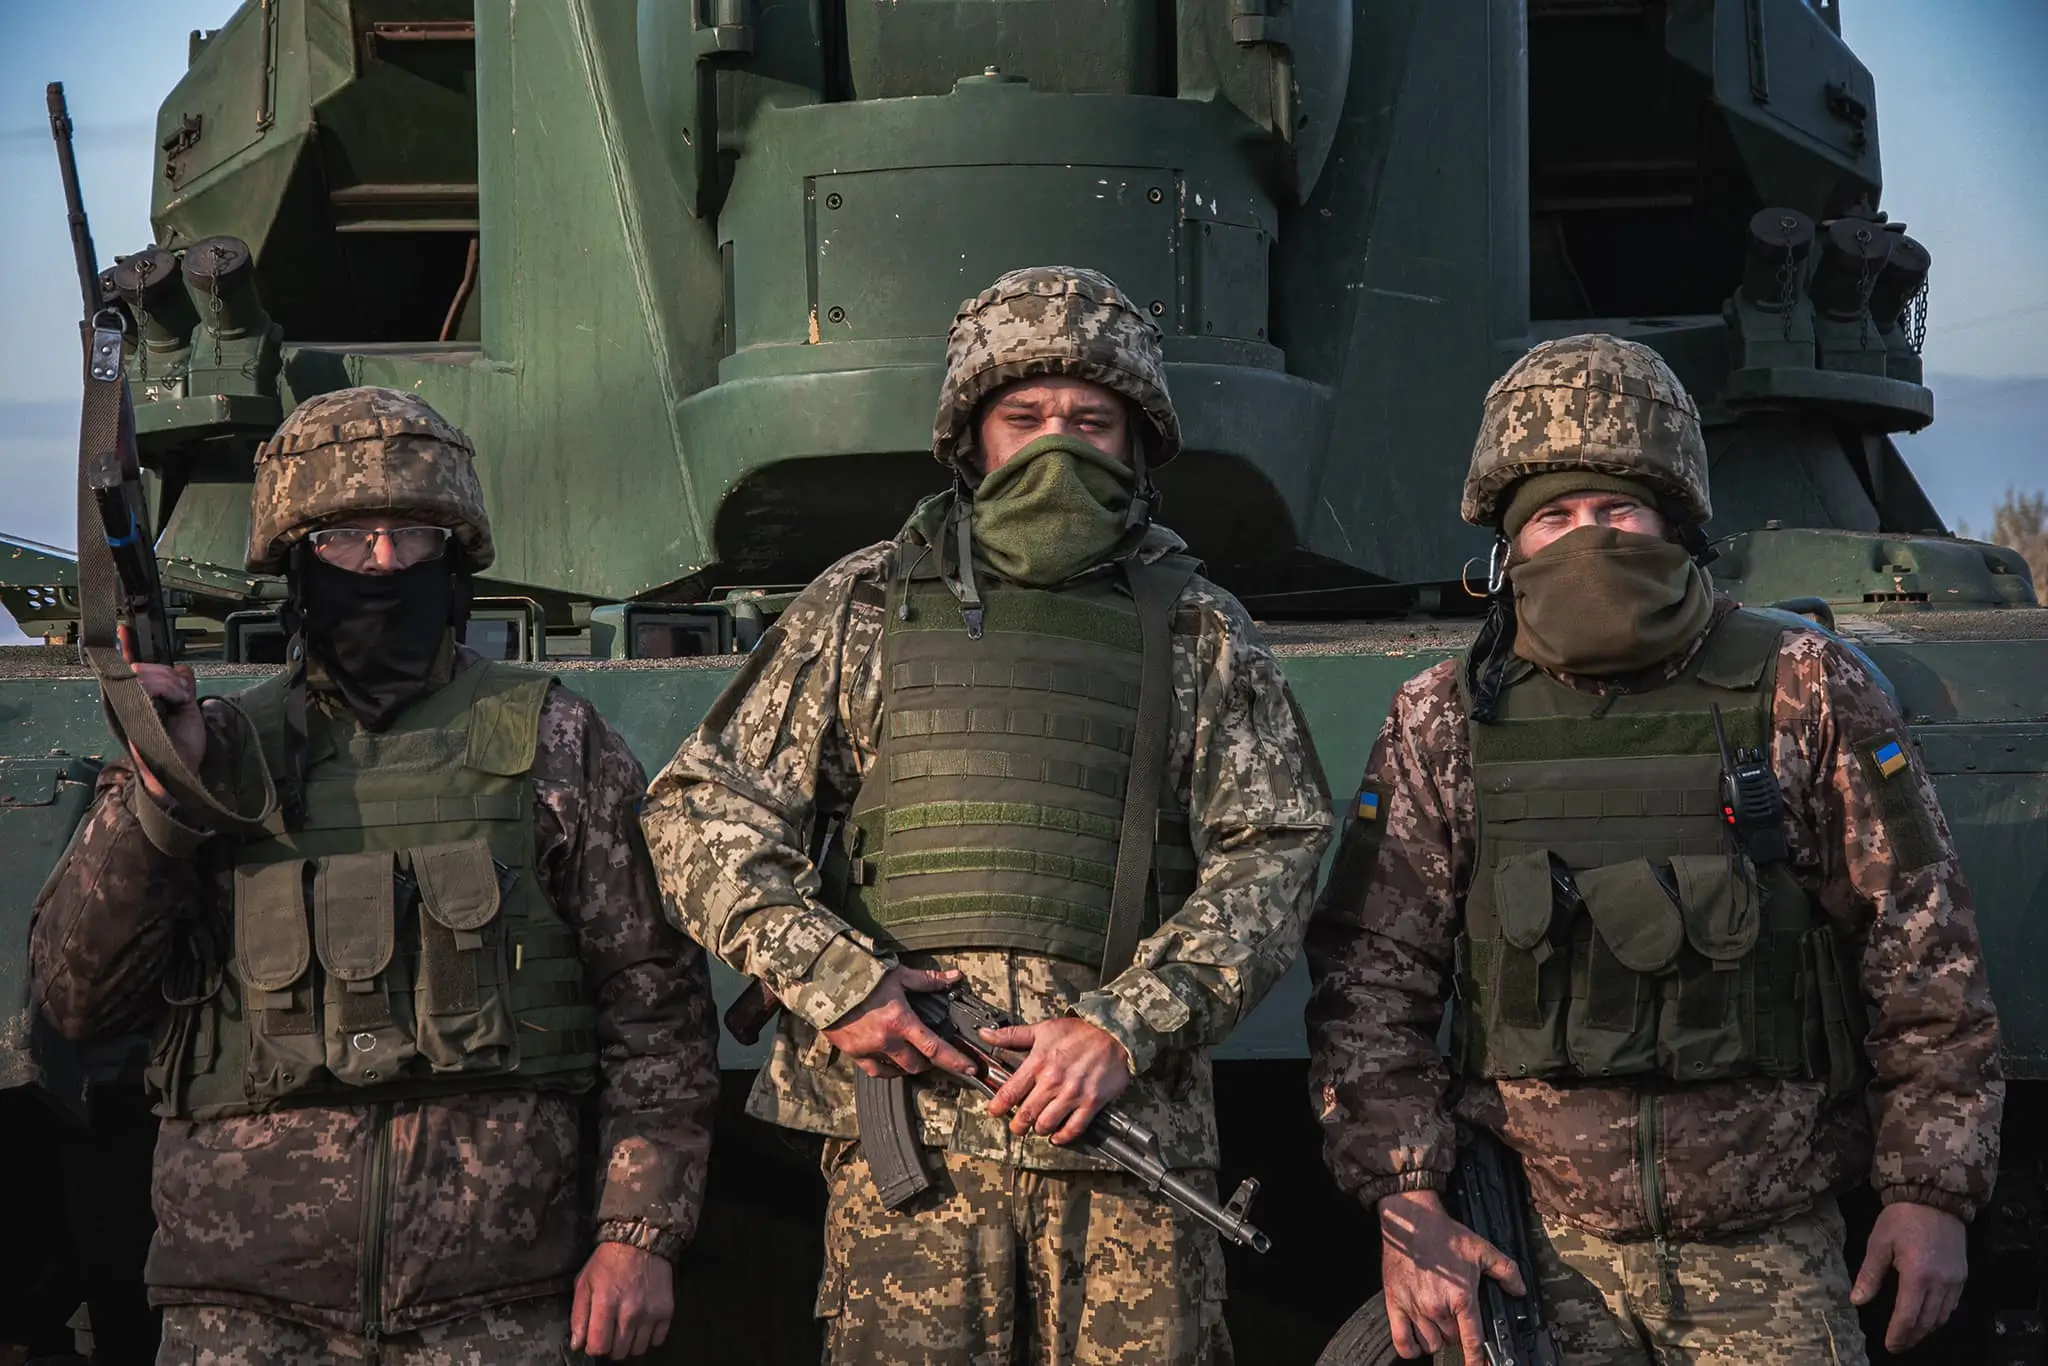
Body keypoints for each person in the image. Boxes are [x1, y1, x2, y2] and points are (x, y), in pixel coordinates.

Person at [641, 265, 1332, 1365]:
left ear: (1137, 444)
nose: (1057, 444)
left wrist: (1125, 1023)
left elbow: (1275, 851)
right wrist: (836, 980)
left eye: (1090, 421)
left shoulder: (1200, 632)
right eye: (1025, 418)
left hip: (1124, 1136)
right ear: (970, 438)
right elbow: (699, 810)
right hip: (907, 1148)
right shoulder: (860, 606)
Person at [1304, 334, 2003, 1365]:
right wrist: (1406, 1204)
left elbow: (1921, 956)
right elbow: (1370, 982)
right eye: (1551, 515)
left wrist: (1928, 1191)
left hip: (1767, 1255)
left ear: (1674, 524)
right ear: (1508, 545)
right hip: (1538, 1256)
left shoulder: (1801, 686)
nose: (1585, 536)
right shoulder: (1444, 719)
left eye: (1614, 510)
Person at [31, 387, 721, 1364]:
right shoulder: (217, 753)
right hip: (243, 1309)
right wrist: (162, 790)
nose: (385, 562)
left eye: (412, 534)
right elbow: (75, 994)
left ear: (456, 558)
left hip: (497, 1305)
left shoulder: (553, 739)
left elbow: (654, 1003)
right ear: (296, 565)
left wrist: (636, 1234)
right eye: (348, 539)